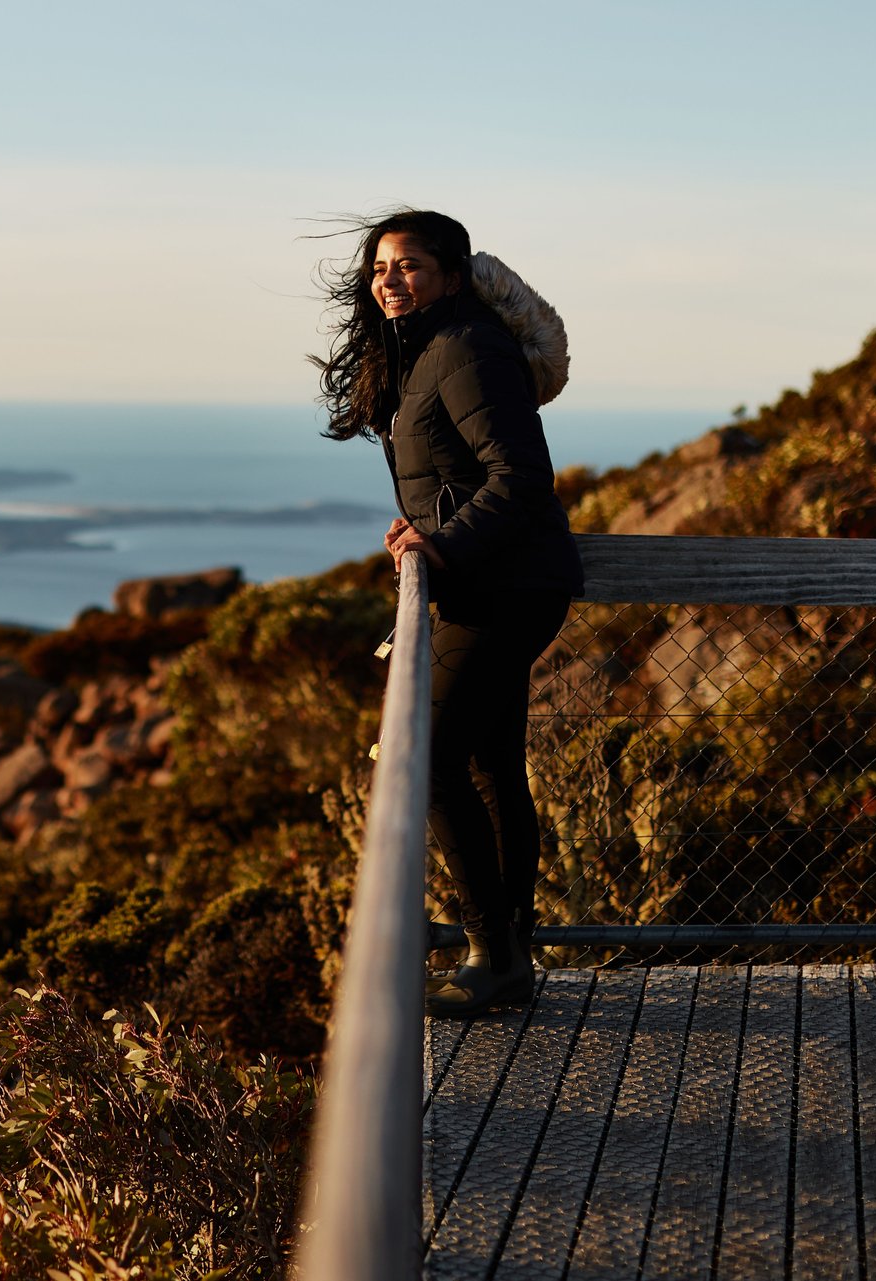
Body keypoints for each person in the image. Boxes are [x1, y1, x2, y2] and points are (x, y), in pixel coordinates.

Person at [312, 208, 583, 1016]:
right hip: (494, 578)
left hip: (505, 587)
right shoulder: (429, 346)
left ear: (453, 277)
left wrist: (445, 546)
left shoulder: (466, 347)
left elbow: (519, 476)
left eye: (412, 267)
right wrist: (427, 531)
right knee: (492, 768)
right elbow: (461, 473)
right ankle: (509, 955)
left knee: (426, 759)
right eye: (383, 268)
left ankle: (492, 953)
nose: (392, 281)